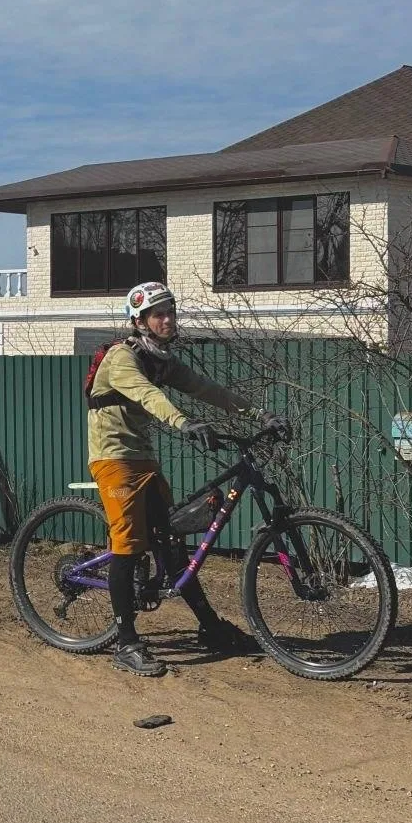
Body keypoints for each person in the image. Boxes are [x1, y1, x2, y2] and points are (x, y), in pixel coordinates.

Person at [87, 281, 288, 677]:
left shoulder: (161, 360)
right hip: (113, 458)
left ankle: (210, 627)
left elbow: (208, 390)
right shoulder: (121, 357)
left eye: (171, 312)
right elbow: (148, 396)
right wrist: (184, 422)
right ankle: (126, 643)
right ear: (140, 321)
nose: (168, 320)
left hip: (143, 458)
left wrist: (259, 415)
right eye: (159, 314)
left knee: (169, 542)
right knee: (127, 546)